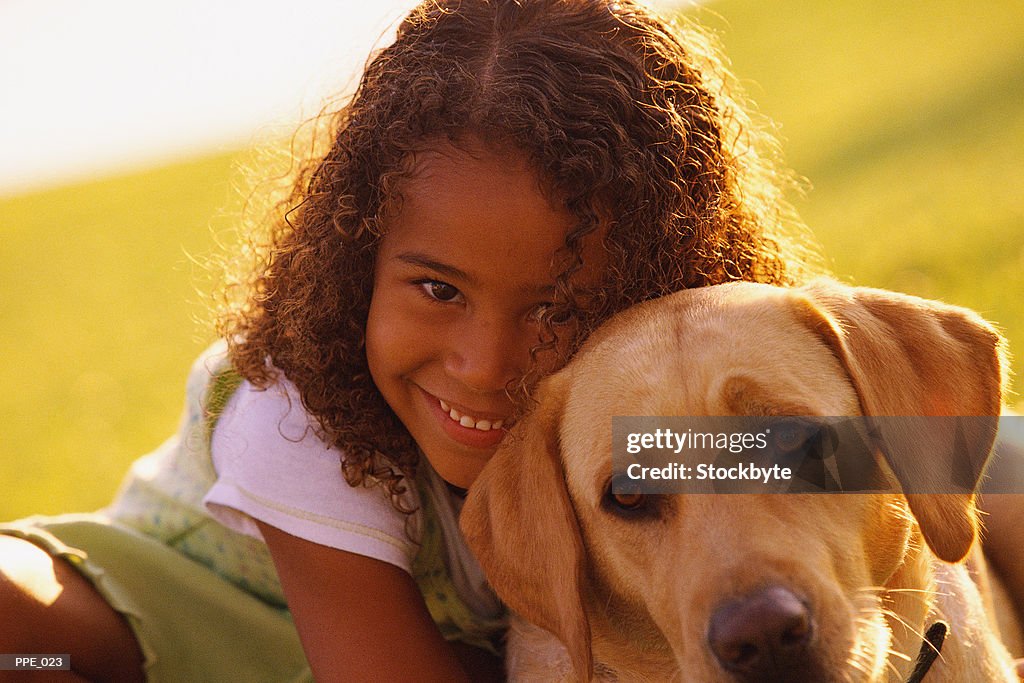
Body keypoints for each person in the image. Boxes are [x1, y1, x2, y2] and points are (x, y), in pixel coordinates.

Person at [0, 0, 1019, 681]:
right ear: (357, 264)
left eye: (555, 308)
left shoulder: (696, 375)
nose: (486, 360)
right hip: (207, 604)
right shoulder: (293, 416)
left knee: (1007, 460)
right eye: (437, 287)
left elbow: (937, 424)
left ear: (648, 280)